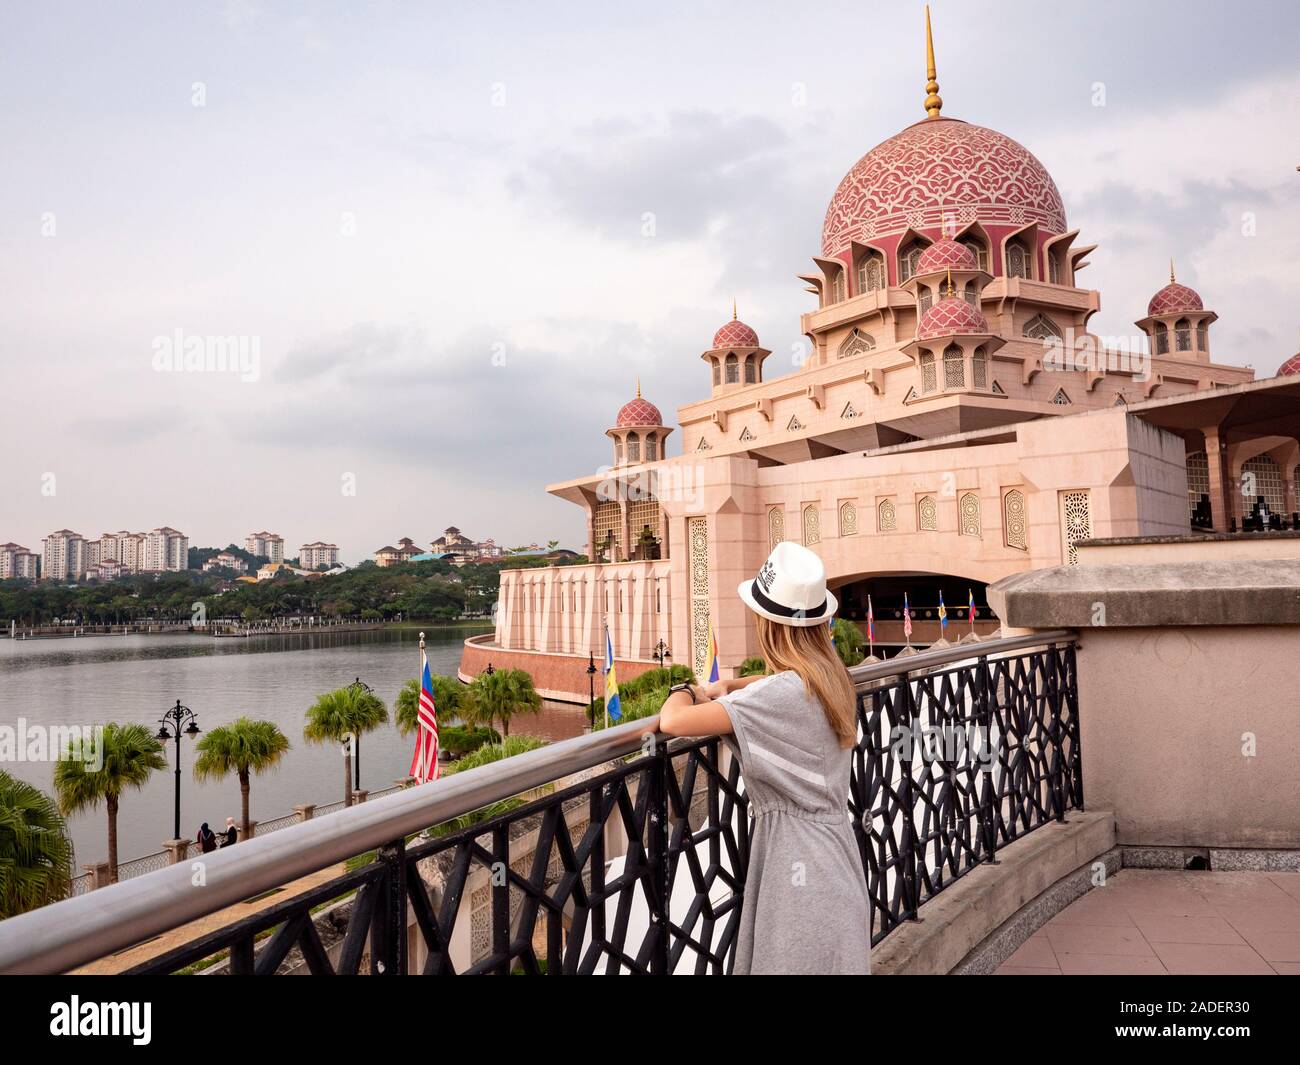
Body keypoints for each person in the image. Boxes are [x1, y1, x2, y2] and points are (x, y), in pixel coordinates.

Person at [658, 541, 871, 975]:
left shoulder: (780, 696)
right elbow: (780, 683)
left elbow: (674, 723)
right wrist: (735, 688)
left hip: (799, 877)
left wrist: (683, 690)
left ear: (769, 625)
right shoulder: (830, 679)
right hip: (835, 864)